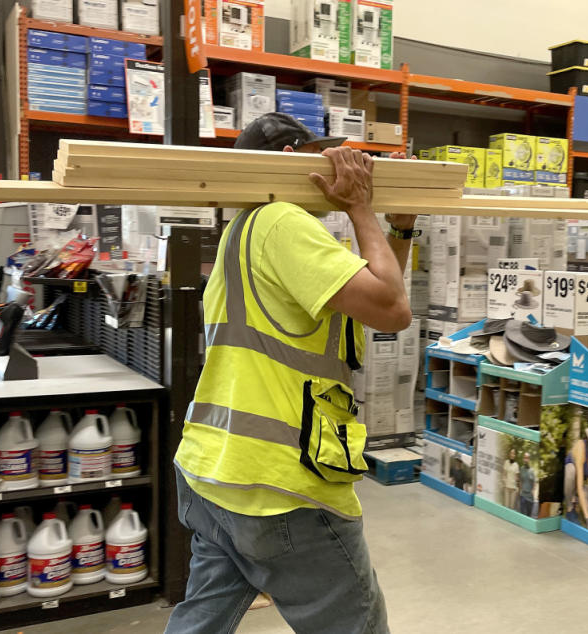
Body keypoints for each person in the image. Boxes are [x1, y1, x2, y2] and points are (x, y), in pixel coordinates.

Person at [166, 113, 417, 634]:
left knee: (200, 623)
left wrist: (398, 227)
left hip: (214, 473)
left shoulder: (241, 234)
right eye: (313, 157)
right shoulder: (283, 224)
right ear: (285, 165)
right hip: (280, 488)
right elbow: (392, 307)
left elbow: (369, 293)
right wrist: (362, 209)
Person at [519, 452, 535, 517]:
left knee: (529, 515)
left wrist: (533, 491)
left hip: (530, 497)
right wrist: (520, 490)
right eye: (525, 458)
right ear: (523, 459)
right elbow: (520, 480)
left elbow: (534, 483)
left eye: (527, 458)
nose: (526, 459)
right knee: (522, 515)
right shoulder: (521, 469)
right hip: (523, 495)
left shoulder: (532, 470)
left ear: (529, 459)